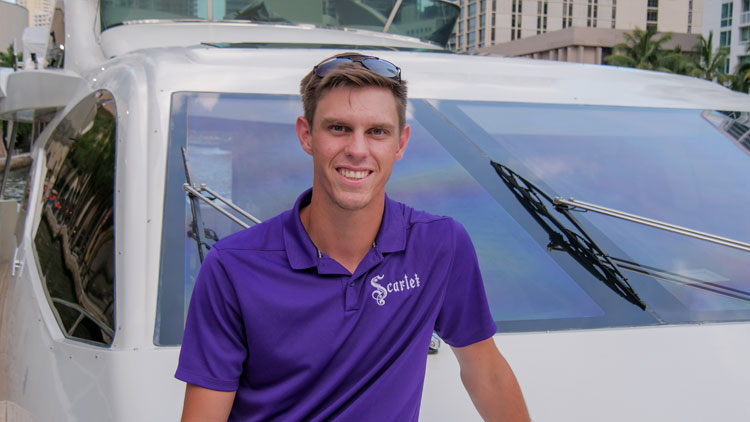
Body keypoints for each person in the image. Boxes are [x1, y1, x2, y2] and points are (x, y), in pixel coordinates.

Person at [176, 52, 530, 422]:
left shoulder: (440, 246)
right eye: (339, 128)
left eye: (377, 131)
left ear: (401, 143)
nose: (358, 150)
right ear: (306, 135)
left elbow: (486, 374)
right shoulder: (233, 267)